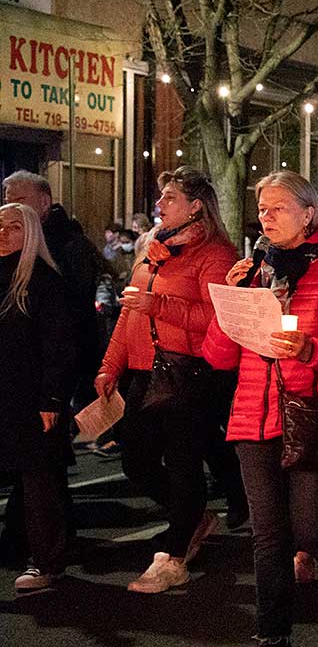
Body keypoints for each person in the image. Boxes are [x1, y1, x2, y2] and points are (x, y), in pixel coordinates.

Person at [203, 170, 318, 647]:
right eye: (262, 209)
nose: (267, 217)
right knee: (268, 536)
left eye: (278, 208)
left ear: (308, 214)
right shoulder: (254, 272)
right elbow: (218, 357)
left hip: (312, 413)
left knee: (313, 527)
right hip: (252, 415)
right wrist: (231, 302)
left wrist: (310, 350)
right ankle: (272, 634)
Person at [93, 167, 238, 593]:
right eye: (161, 198)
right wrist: (110, 366)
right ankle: (191, 518)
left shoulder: (216, 254)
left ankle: (175, 556)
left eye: (170, 197)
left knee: (182, 463)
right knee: (135, 459)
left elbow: (217, 318)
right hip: (144, 370)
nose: (160, 205)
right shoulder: (155, 249)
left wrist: (158, 305)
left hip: (185, 372)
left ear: (195, 206)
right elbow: (129, 314)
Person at [0, 203, 75, 593]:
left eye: (13, 227)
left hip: (29, 396)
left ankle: (47, 561)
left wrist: (52, 398)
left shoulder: (43, 281)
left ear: (30, 233)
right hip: (6, 393)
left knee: (38, 481)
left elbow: (58, 345)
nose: (3, 233)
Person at [3, 171, 104, 407]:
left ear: (44, 202)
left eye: (20, 200)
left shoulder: (68, 246)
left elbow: (70, 313)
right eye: (8, 201)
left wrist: (54, 391)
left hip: (55, 367)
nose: (12, 206)